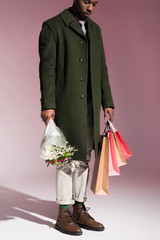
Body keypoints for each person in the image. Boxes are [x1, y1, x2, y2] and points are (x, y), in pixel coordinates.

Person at [39, 0, 115, 236]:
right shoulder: (52, 27)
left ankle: (79, 208)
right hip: (65, 104)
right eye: (86, 1)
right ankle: (63, 213)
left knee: (84, 157)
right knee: (65, 159)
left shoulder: (95, 30)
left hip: (90, 104)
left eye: (95, 3)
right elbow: (47, 68)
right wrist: (48, 104)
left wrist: (107, 101)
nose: (90, 7)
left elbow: (101, 67)